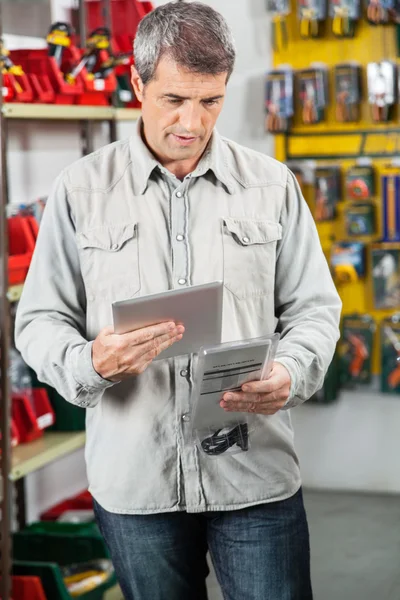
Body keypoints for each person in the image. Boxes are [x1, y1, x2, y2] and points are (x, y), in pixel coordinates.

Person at [15, 2, 341, 599]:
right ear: (138, 83)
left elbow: (315, 309)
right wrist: (89, 363)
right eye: (173, 99)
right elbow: (39, 319)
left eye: (210, 101)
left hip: (254, 475)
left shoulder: (272, 186)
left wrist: (292, 371)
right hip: (137, 481)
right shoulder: (82, 190)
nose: (193, 123)